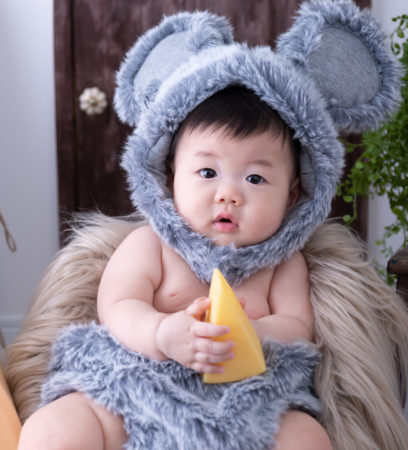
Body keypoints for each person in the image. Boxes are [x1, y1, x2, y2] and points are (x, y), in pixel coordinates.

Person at [18, 86, 332, 450]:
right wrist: (161, 332)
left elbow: (298, 328)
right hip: (136, 392)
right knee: (57, 427)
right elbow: (117, 307)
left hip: (247, 405)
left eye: (255, 179)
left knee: (306, 437)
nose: (228, 195)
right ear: (171, 179)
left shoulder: (282, 262)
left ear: (290, 198)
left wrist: (255, 332)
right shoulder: (152, 244)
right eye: (208, 171)